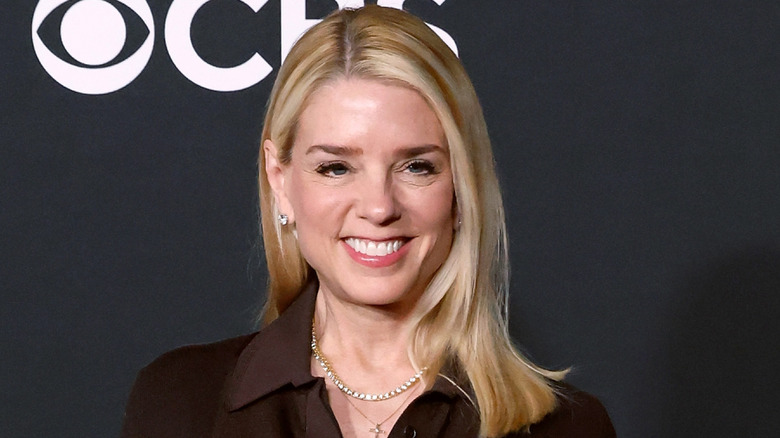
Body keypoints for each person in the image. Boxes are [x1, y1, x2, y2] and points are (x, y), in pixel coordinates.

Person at [120, 6, 615, 438]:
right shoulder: (180, 403)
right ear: (280, 179)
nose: (379, 208)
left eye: (416, 166)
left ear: (462, 187)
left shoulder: (568, 429)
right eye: (336, 168)